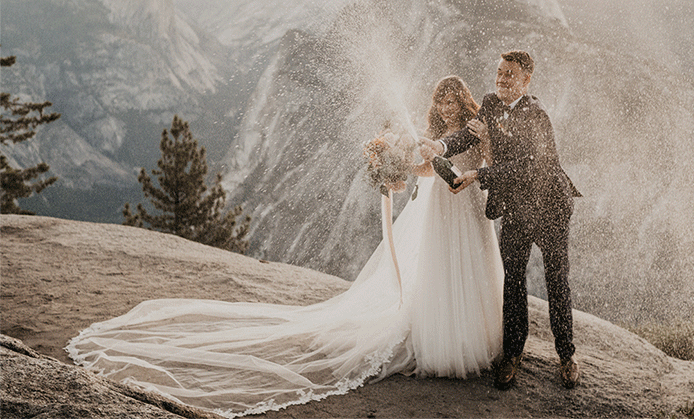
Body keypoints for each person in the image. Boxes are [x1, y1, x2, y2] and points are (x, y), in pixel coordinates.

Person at [66, 76, 503, 418]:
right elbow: (427, 170)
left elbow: (481, 161)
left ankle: (474, 335)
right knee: (438, 270)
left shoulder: (475, 127)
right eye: (440, 100)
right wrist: (396, 165)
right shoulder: (434, 129)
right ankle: (443, 338)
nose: (445, 107)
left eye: (451, 100)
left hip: (465, 209)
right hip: (437, 210)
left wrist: (457, 166)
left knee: (471, 269)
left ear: (462, 100)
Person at [420, 50, 581, 390]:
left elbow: (529, 166)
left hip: (550, 207)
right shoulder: (490, 104)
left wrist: (479, 173)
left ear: (526, 80)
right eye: (499, 71)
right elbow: (466, 135)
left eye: (510, 73)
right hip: (517, 208)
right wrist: (439, 146)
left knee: (557, 281)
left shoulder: (538, 115)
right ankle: (512, 354)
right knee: (513, 280)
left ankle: (566, 356)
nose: (501, 78)